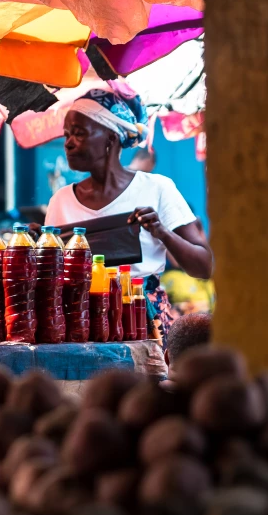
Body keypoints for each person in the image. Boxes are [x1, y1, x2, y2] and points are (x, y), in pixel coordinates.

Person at [44, 88, 213, 340]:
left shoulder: (157, 188)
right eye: (67, 134)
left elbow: (204, 266)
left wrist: (162, 232)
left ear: (111, 138)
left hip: (144, 322)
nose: (68, 143)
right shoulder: (61, 200)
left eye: (79, 134)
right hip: (82, 324)